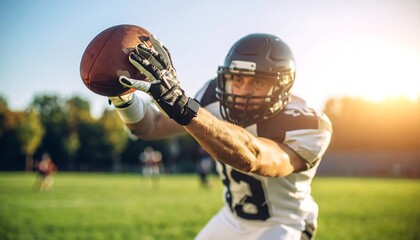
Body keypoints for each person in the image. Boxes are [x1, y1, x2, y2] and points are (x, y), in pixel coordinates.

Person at [108, 33, 332, 239]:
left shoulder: (310, 123)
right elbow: (150, 127)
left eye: (259, 82)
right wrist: (122, 99)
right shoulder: (212, 96)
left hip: (285, 224)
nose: (242, 91)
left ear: (283, 86)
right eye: (237, 79)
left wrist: (184, 107)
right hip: (231, 219)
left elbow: (255, 158)